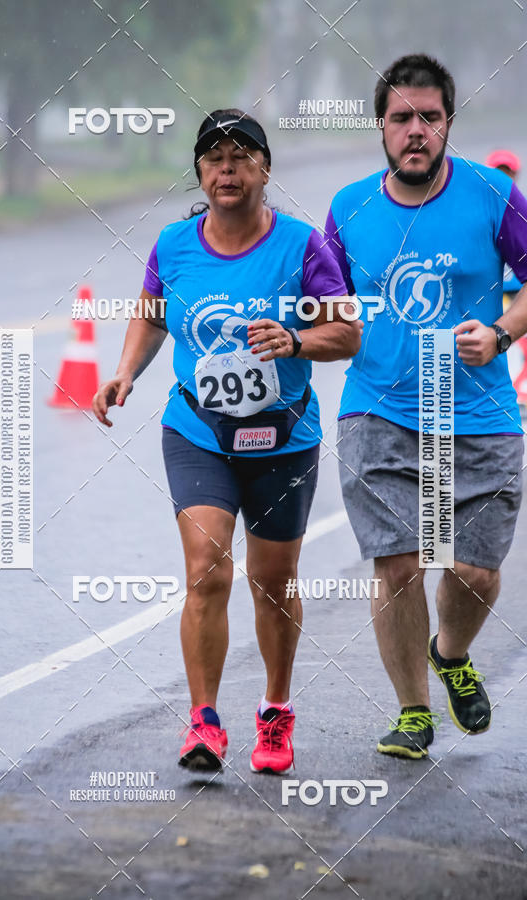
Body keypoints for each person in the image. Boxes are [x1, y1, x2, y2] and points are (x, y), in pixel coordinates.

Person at [93, 109, 361, 774]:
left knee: (272, 582)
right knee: (207, 571)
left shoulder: (301, 247)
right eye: (214, 159)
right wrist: (125, 372)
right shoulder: (174, 244)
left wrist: (295, 339)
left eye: (241, 157)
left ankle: (274, 713)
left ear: (265, 170)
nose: (227, 169)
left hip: (284, 437)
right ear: (200, 172)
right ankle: (204, 723)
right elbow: (151, 316)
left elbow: (348, 332)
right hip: (198, 431)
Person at [324, 54, 527, 759]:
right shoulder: (348, 208)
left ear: (448, 124)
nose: (417, 131)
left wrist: (502, 332)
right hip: (377, 408)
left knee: (472, 570)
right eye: (402, 118)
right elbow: (325, 306)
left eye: (430, 118)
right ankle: (414, 712)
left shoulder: (492, 194)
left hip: (476, 412)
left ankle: (451, 653)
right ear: (381, 125)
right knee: (399, 564)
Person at [485, 150, 523, 297]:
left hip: (519, 290)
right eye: (497, 173)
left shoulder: (522, 209)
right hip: (492, 292)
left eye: (507, 172)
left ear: (515, 174)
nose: (502, 178)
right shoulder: (479, 211)